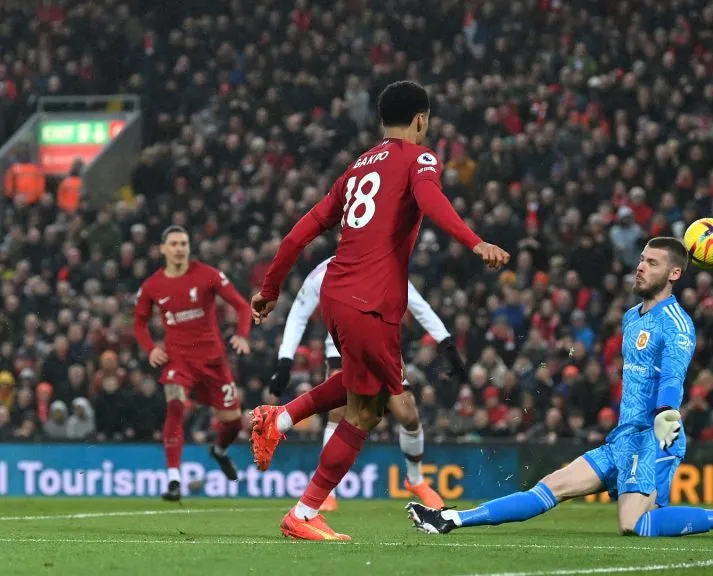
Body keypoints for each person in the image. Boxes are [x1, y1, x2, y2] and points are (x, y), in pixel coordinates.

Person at [248, 80, 509, 541]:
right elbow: (430, 200)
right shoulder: (420, 158)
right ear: (422, 119)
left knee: (357, 386)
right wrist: (476, 241)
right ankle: (304, 513)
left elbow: (297, 234)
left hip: (336, 293)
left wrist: (270, 289)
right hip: (370, 302)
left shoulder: (354, 170)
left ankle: (280, 418)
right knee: (367, 412)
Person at [407, 238, 713, 539]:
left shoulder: (677, 322)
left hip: (654, 437)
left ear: (675, 274)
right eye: (641, 259)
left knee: (633, 525)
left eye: (651, 263)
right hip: (622, 438)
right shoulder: (630, 317)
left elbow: (674, 376)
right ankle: (449, 518)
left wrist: (666, 416)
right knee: (549, 487)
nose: (640, 266)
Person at [271, 255, 467, 511]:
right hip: (342, 349)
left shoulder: (385, 266)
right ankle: (324, 491)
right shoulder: (324, 273)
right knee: (339, 412)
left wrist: (446, 344)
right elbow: (298, 314)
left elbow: (419, 306)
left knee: (407, 413)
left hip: (382, 348)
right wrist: (285, 361)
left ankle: (415, 480)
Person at [132, 225, 252, 502]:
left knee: (233, 423)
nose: (180, 248)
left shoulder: (208, 275)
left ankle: (219, 451)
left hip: (213, 362)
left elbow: (243, 306)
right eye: (173, 244)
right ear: (163, 249)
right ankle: (174, 479)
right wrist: (150, 349)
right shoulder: (152, 286)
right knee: (175, 404)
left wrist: (242, 335)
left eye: (184, 243)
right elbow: (138, 323)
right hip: (178, 361)